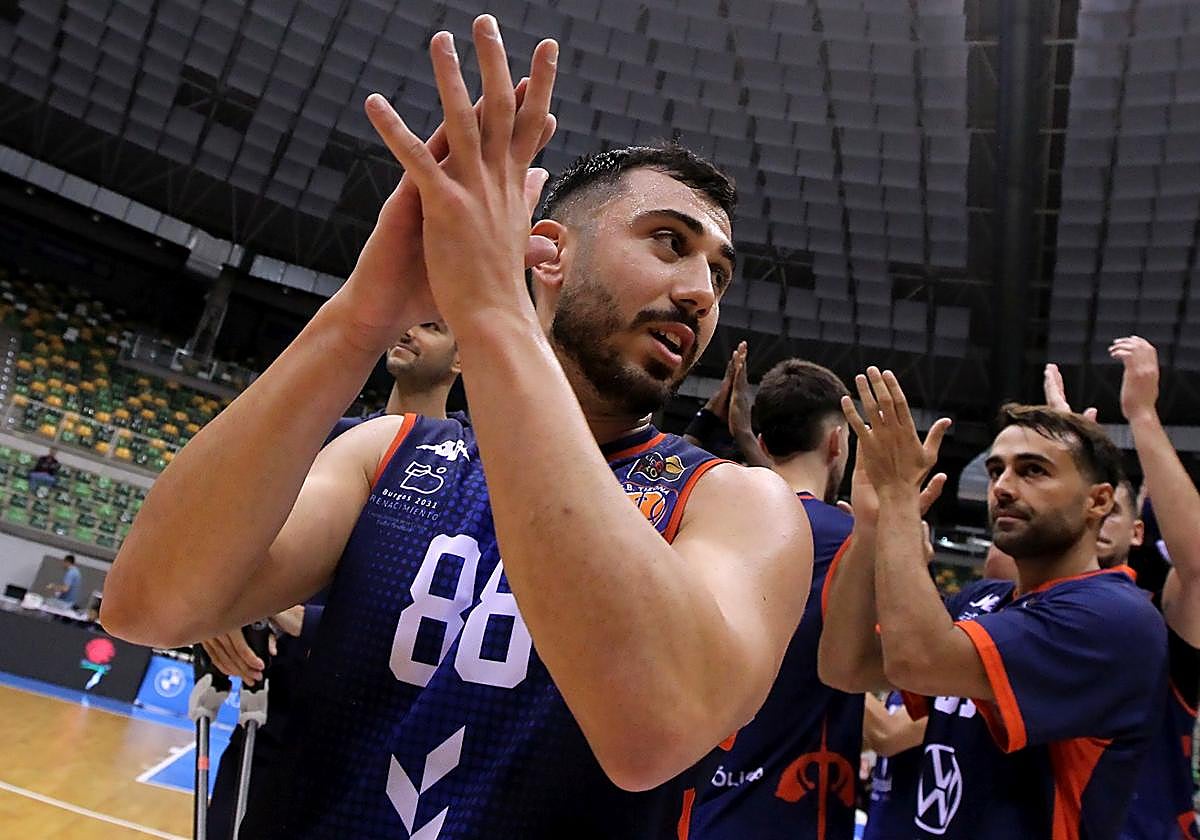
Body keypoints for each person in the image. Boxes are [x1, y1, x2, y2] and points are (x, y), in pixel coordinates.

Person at [102, 17, 812, 839]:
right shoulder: (389, 453)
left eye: (718, 275)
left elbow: (652, 733)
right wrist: (360, 316)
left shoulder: (742, 506)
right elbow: (149, 605)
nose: (699, 292)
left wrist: (494, 309)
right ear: (548, 253)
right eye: (668, 242)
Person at [820, 367, 1166, 839]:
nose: (1002, 486)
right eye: (996, 469)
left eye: (1033, 470)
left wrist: (899, 495)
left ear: (1098, 501)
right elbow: (844, 666)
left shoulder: (1116, 618)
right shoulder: (984, 599)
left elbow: (915, 658)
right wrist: (869, 526)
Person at [203, 319, 464, 839]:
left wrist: (312, 623)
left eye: (431, 327)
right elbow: (230, 540)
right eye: (408, 320)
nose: (407, 331)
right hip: (276, 715)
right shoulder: (324, 437)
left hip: (386, 734)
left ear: (464, 358)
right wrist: (219, 602)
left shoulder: (476, 467)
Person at [690, 355, 860, 840]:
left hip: (688, 809)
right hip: (784, 819)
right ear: (836, 442)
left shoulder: (705, 517)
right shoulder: (849, 541)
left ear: (762, 443)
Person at [1046, 339, 1200, 839]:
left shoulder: (1159, 619)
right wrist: (1066, 455)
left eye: (1111, 509)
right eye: (1086, 503)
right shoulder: (1035, 600)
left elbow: (1197, 565)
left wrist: (1142, 414)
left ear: (1138, 533)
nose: (1096, 515)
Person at [326, 319, 462, 441]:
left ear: (460, 359)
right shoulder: (337, 435)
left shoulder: (470, 453)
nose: (406, 332)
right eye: (405, 321)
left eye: (429, 325)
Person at [861, 691, 926, 840]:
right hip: (879, 822)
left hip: (909, 826)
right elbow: (870, 736)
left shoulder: (947, 693)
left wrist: (845, 684)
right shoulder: (900, 691)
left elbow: (888, 734)